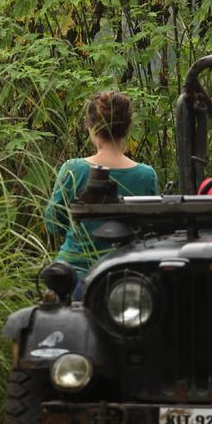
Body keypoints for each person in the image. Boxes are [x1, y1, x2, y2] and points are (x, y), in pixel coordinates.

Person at [43, 91, 159, 284]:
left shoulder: (74, 169)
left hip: (74, 272)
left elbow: (53, 224)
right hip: (127, 274)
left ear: (92, 128)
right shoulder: (146, 175)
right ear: (127, 128)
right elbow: (152, 230)